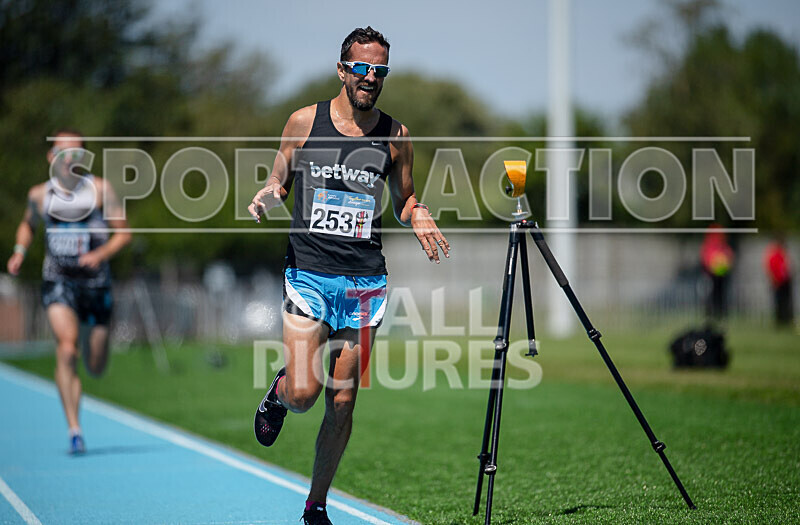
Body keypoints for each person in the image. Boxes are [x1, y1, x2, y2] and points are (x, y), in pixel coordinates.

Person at [248, 27, 449, 525]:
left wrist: (418, 211)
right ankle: (279, 394)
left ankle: (315, 505)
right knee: (304, 394)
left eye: (380, 70)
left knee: (341, 402)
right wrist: (271, 190)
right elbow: (280, 173)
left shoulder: (396, 136)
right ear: (342, 70)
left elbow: (404, 199)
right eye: (362, 68)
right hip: (310, 273)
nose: (371, 77)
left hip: (364, 283)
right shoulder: (304, 121)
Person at [6, 129, 131, 454]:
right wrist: (19, 251)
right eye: (62, 152)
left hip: (96, 285)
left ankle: (94, 347)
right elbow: (28, 224)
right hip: (59, 281)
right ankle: (74, 429)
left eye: (76, 152)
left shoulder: (100, 190)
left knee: (96, 365)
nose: (68, 159)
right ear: (51, 157)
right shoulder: (39, 195)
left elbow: (123, 233)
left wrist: (99, 254)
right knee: (66, 348)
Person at [700, 224, 734, 319]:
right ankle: (711, 313)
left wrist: (725, 264)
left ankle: (719, 313)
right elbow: (705, 258)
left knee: (720, 295)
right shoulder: (711, 245)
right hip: (711, 275)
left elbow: (729, 256)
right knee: (711, 294)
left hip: (721, 275)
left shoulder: (722, 246)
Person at [764, 235, 794, 327]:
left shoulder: (783, 254)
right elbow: (770, 269)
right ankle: (780, 320)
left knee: (786, 301)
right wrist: (774, 280)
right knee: (779, 302)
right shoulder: (773, 254)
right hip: (778, 282)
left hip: (785, 281)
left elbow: (786, 268)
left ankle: (787, 319)